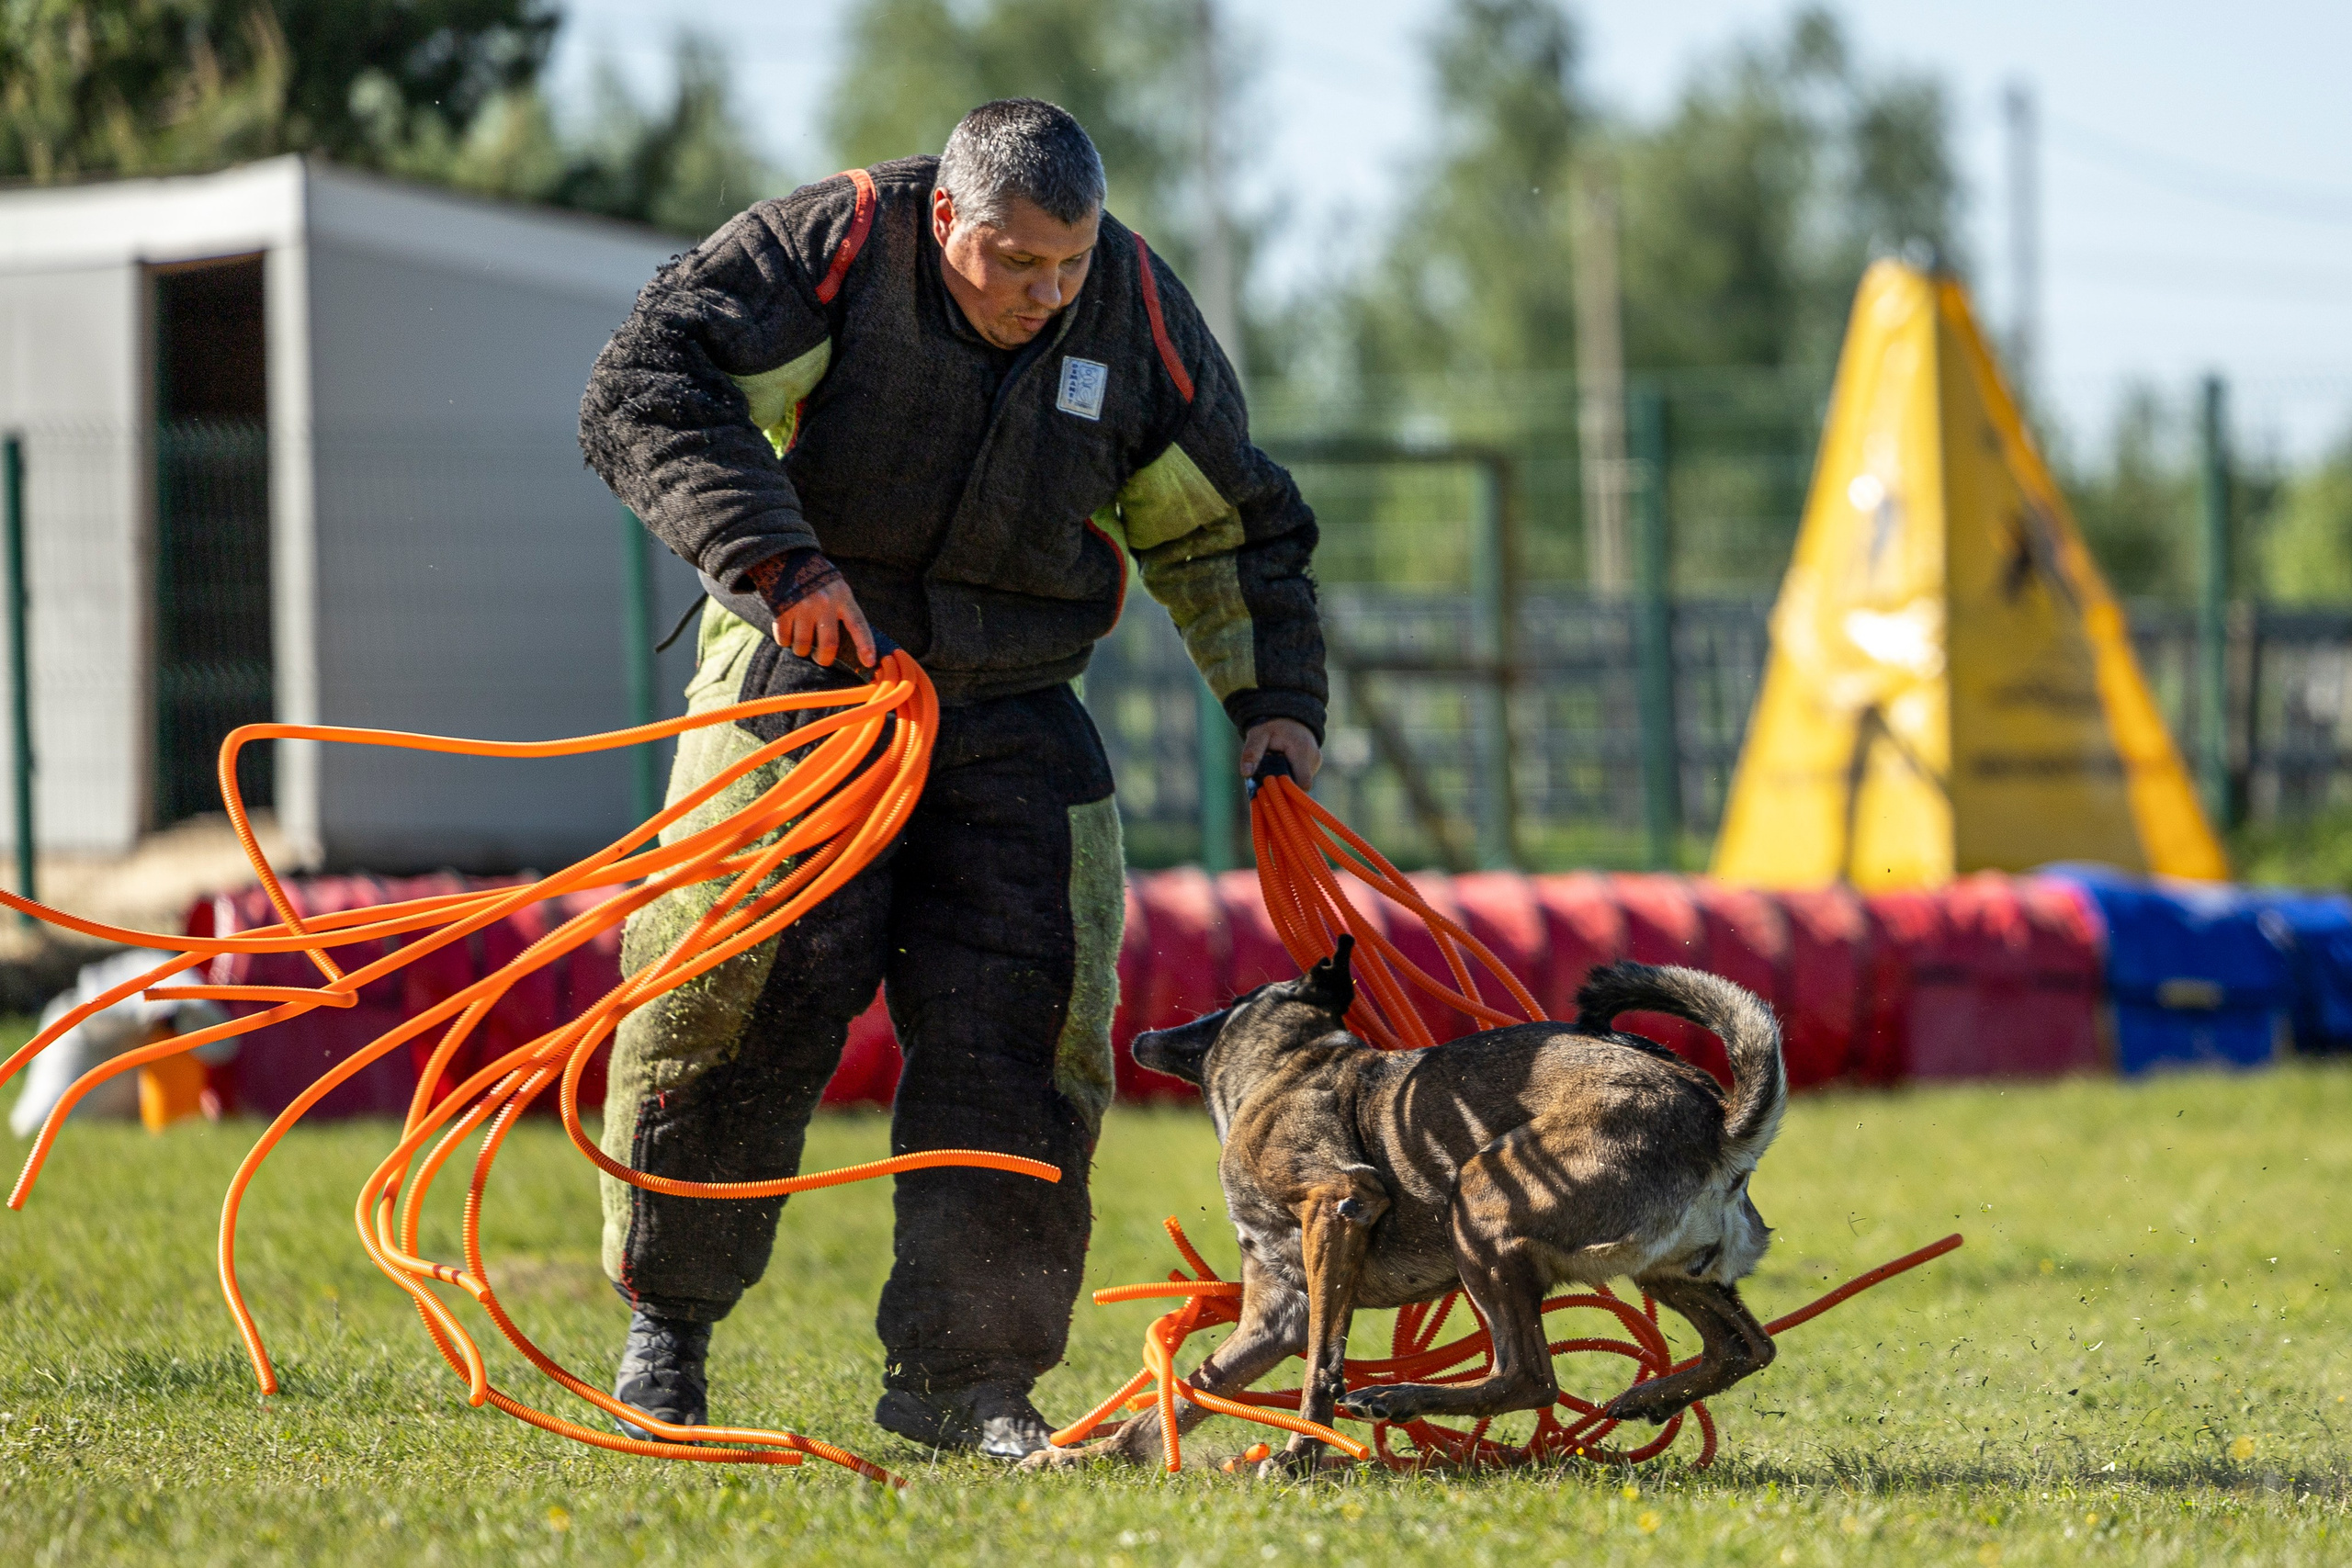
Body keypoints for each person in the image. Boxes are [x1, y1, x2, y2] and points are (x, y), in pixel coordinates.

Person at [577, 98, 1327, 1459]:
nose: (1048, 297)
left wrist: (1276, 713)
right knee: (735, 1005)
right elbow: (649, 382)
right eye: (1017, 263)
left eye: (1070, 266)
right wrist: (778, 564)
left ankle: (968, 1382)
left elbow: (1231, 530)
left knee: (1027, 1037)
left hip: (1017, 711)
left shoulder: (1134, 311)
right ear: (945, 223)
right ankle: (667, 1335)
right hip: (802, 689)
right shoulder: (830, 247)